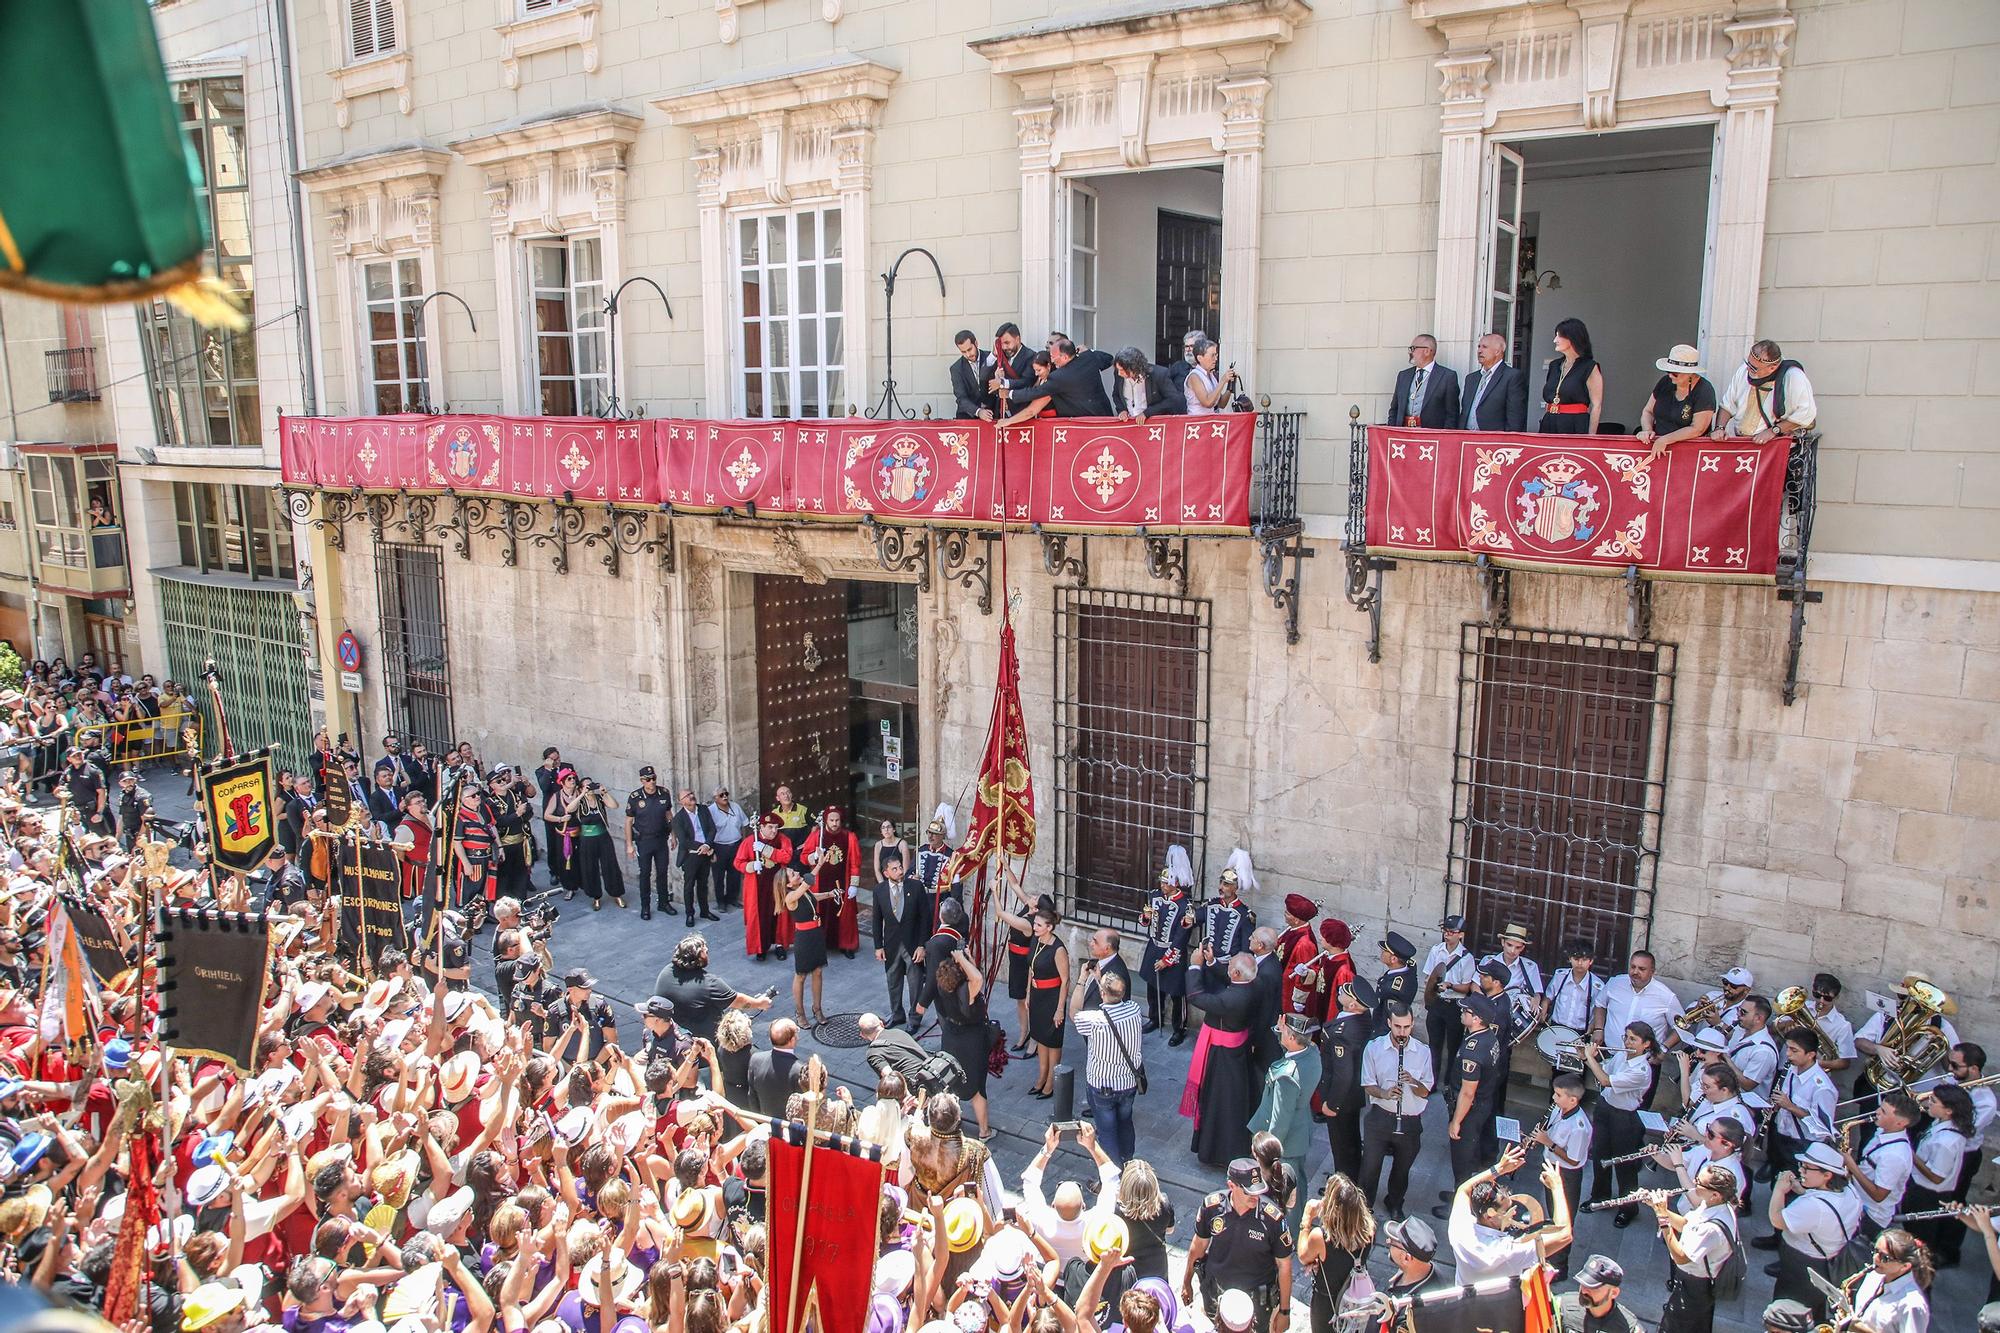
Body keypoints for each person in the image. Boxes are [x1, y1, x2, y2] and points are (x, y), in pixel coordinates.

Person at [1182, 1159, 1293, 1333]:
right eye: (1249, 1192)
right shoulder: (1212, 1207)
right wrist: (1186, 1280)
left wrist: (1285, 1311)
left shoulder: (1273, 1219)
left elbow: (1284, 1265)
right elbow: (1198, 1246)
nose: (1255, 1197)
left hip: (1256, 1302)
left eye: (1258, 1191)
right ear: (1231, 1186)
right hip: (1216, 1295)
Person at [1762, 1142, 1864, 1320]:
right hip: (1826, 1262)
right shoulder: (1850, 1192)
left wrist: (1779, 1190)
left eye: (1807, 1168)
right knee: (1812, 1311)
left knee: (1787, 1315)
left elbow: (1776, 1220)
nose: (1801, 1171)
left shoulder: (1813, 1206)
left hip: (1801, 1267)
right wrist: (1801, 1190)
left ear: (1827, 1175)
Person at [1445, 1145, 1573, 1282]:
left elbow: (1464, 1190)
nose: (1514, 1213)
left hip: (1463, 1301)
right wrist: (1557, 1187)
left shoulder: (1460, 1229)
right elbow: (1564, 1235)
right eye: (1507, 1211)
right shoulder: (1509, 1251)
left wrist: (1498, 1168)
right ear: (1489, 1216)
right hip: (1503, 1303)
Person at [1357, 1000, 1432, 1221]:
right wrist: (1385, 1093)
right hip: (1380, 1117)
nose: (1402, 1032)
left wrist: (1413, 1082)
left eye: (1407, 1027)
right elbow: (1368, 1084)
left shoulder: (1422, 1052)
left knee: (1402, 1168)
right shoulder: (1374, 1048)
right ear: (1389, 1023)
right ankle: (1364, 1205)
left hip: (1409, 1120)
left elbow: (1426, 1091)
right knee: (1370, 1166)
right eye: (1398, 1026)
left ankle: (1395, 1202)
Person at [1182, 952, 1259, 1167]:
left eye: (1230, 966)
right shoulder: (1251, 985)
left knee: (1219, 1102)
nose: (1228, 968)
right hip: (1237, 1048)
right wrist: (1212, 963)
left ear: (1235, 972)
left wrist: (1195, 967)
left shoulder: (1231, 998)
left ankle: (1217, 1151)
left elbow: (1196, 996)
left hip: (1223, 1055)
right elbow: (1232, 981)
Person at [1591, 949, 1684, 1106]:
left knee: (1638, 1110)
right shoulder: (1615, 983)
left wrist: (1664, 1049)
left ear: (1652, 971)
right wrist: (1598, 1029)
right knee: (1605, 1102)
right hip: (1613, 1055)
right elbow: (1600, 1004)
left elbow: (1682, 1027)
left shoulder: (1666, 996)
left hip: (1645, 1063)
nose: (1635, 972)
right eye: (1633, 967)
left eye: (1642, 969)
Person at [1072, 971, 1144, 1164]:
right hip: (1128, 1083)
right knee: (1125, 1124)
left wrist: (1081, 981)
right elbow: (1114, 995)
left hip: (1103, 1086)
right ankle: (1128, 1164)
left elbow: (1074, 1013)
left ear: (1102, 993)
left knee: (1107, 1133)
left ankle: (1113, 1176)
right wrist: (1101, 980)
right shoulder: (1134, 1010)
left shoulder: (1095, 1020)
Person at [654, 933, 773, 1046]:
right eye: (705, 952)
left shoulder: (666, 972)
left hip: (671, 1038)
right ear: (698, 957)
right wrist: (760, 1003)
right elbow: (739, 1001)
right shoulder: (708, 983)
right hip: (702, 1043)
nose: (708, 953)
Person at [1440, 993, 1506, 1197]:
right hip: (1483, 1104)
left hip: (1470, 1109)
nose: (1461, 1012)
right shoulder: (1487, 1036)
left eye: (1465, 1011)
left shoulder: (1473, 1051)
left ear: (1476, 1019)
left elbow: (1468, 1092)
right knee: (1470, 1153)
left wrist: (1456, 1121)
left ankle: (1460, 1201)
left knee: (1462, 1158)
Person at [1531, 1073, 1592, 1279]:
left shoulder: (1579, 1127)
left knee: (1563, 1216)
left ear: (1573, 1100)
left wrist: (1548, 1142)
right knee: (1552, 1209)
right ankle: (1550, 1254)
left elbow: (1574, 1160)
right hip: (1552, 1166)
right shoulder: (1559, 1109)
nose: (1554, 1099)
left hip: (1566, 1175)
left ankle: (1559, 1266)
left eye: (1558, 1095)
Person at [1903, 1083, 1974, 1257]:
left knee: (1920, 1242)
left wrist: (1910, 1154)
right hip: (1920, 1189)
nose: (1928, 1103)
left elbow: (1936, 1177)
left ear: (1949, 1111)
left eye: (1933, 1101)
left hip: (1927, 1195)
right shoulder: (1939, 1122)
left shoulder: (1946, 1142)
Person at [1295, 1173, 1371, 1333]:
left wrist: (1306, 1220)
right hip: (1355, 1299)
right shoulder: (1369, 1230)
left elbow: (1302, 1255)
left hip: (1328, 1303)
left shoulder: (1321, 1237)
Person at [1315, 977, 1373, 1185]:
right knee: (1351, 1141)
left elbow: (1343, 1073)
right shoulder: (1361, 1019)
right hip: (1353, 1095)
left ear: (1352, 1005)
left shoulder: (1343, 1032)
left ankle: (1344, 1185)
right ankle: (1349, 1178)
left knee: (1342, 1144)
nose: (1341, 989)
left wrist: (1332, 1104)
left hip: (1342, 1097)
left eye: (1346, 991)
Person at [931, 951, 994, 1137]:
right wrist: (961, 958)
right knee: (976, 1087)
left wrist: (966, 960)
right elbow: (977, 978)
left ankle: (951, 1121)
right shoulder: (966, 991)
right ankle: (984, 1130)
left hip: (951, 1036)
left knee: (951, 1080)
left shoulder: (943, 986)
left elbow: (972, 974)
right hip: (971, 1040)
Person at [1843, 1091, 1920, 1241]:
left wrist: (1852, 1166)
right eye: (1880, 1108)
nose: (1877, 1112)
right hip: (1858, 1201)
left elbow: (1879, 1195)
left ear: (1900, 1123)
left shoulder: (1895, 1155)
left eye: (1883, 1112)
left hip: (1869, 1216)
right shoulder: (1882, 1131)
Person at [1139, 850, 1196, 1041]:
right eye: (1162, 882)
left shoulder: (1185, 906)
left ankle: (1179, 1028)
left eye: (1167, 883)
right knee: (1152, 987)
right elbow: (1144, 920)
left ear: (1176, 883)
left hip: (1173, 952)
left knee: (1176, 993)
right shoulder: (1154, 896)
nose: (1163, 886)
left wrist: (1166, 960)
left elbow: (1181, 937)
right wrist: (1145, 917)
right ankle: (1155, 1017)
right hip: (1154, 946)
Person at [1714, 340, 1816, 442]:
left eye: (1754, 368)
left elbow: (1806, 413)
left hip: (1777, 443)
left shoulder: (1794, 376)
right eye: (1748, 363)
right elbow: (1728, 404)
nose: (1748, 369)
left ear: (1772, 368)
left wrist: (1773, 431)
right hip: (1746, 442)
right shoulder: (1744, 370)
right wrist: (1720, 428)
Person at [871, 847, 927, 1028]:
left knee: (915, 985)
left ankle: (914, 1019)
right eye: (894, 869)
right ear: (886, 873)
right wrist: (878, 946)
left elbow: (925, 918)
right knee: (893, 982)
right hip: (892, 945)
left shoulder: (916, 887)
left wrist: (922, 945)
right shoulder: (879, 891)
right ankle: (897, 1015)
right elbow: (876, 920)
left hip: (912, 946)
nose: (900, 871)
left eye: (900, 867)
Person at [999, 337, 1115, 422]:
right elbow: (1109, 359)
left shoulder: (1059, 377)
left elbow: (1035, 393)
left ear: (1065, 356)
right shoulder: (1089, 358)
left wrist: (1010, 394)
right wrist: (1088, 351)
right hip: (1106, 418)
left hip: (1084, 425)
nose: (1052, 361)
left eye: (1053, 357)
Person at [800, 805, 862, 958]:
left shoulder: (850, 837)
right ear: (826, 820)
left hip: (843, 882)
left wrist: (854, 884)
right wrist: (813, 857)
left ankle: (847, 945)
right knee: (820, 913)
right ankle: (821, 944)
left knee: (845, 915)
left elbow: (855, 863)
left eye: (837, 820)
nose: (835, 823)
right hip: (820, 883)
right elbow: (803, 857)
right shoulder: (817, 837)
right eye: (831, 820)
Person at [1637, 344, 1718, 462]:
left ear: (1690, 373)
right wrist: (1647, 430)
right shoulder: (1665, 382)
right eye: (1668, 371)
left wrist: (1665, 440)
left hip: (1688, 454)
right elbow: (1648, 411)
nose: (1670, 375)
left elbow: (1698, 428)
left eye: (1675, 373)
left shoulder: (1704, 390)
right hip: (1658, 450)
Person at [1021, 905, 1070, 1097]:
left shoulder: (1058, 949)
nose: (1035, 927)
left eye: (1039, 925)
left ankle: (1051, 1082)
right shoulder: (1036, 941)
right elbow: (1031, 968)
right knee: (1040, 1036)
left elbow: (1065, 980)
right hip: (1037, 995)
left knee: (1053, 1040)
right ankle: (1041, 1077)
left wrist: (1060, 1010)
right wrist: (1028, 993)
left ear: (1049, 927)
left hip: (1052, 997)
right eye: (1035, 923)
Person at [1421, 914, 1474, 1088]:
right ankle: (1432, 1082)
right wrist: (1431, 986)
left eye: (1452, 931)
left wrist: (1450, 985)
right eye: (1445, 931)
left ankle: (1449, 1083)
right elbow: (1429, 975)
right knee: (1434, 1045)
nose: (1447, 934)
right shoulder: (1436, 950)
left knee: (1453, 1047)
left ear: (1461, 935)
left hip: (1455, 1006)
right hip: (1437, 1003)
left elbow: (1466, 988)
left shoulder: (1467, 958)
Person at [734, 810, 795, 960]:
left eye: (776, 827)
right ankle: (761, 947)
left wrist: (765, 849)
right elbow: (738, 862)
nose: (774, 831)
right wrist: (751, 866)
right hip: (757, 886)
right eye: (770, 827)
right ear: (761, 827)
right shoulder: (749, 842)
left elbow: (786, 857)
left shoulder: (783, 840)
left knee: (780, 915)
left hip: (778, 884)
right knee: (760, 916)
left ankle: (780, 945)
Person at [1847, 1228, 1933, 1333]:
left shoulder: (1912, 1305)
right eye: (1875, 1250)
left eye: (1885, 1258)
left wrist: (1861, 1330)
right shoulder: (1875, 1274)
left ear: (1905, 1266)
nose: (1875, 1258)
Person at [780, 867, 831, 1026]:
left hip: (816, 933)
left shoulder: (803, 892)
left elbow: (813, 897)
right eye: (793, 874)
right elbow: (809, 882)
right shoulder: (790, 897)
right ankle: (800, 1012)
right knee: (801, 975)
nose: (798, 874)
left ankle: (817, 1009)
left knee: (818, 971)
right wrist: (820, 864)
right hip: (803, 937)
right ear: (788, 884)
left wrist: (830, 894)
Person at [624, 764, 674, 920]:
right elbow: (628, 822)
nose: (651, 782)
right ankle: (645, 906)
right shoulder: (635, 797)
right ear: (642, 781)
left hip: (661, 840)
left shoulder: (664, 793)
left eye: (653, 778)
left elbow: (668, 815)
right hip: (643, 841)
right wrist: (629, 845)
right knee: (645, 874)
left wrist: (674, 835)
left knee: (662, 872)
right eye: (648, 779)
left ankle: (663, 902)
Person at [1539, 318, 1604, 434]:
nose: (1555, 340)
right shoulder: (1554, 365)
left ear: (1572, 338)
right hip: (1550, 422)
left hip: (1574, 424)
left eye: (1559, 336)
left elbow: (1596, 405)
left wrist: (1591, 438)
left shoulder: (1589, 367)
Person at [1385, 334, 1460, 429]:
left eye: (1413, 348)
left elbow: (1452, 415)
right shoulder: (1403, 376)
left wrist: (1445, 438)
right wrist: (1391, 432)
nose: (1410, 352)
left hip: (1431, 437)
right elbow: (1394, 409)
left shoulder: (1447, 376)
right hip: (1403, 435)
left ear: (1427, 351)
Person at [1557, 1255, 1646, 1333]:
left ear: (1614, 1293)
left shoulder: (1630, 1329)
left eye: (1593, 1288)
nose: (1584, 1291)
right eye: (1583, 1284)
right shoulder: (1561, 1306)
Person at [669, 788, 719, 926]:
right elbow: (684, 841)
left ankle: (705, 911)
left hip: (706, 851)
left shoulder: (703, 809)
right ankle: (689, 914)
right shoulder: (678, 819)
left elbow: (712, 829)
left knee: (703, 883)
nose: (691, 796)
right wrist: (701, 847)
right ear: (681, 802)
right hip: (691, 855)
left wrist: (707, 845)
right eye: (687, 795)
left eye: (692, 793)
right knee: (689, 886)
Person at [1460, 331, 1528, 432]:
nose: (1479, 351)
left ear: (1497, 351)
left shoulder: (1512, 376)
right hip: (1467, 437)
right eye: (1479, 346)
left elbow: (1515, 416)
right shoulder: (1471, 378)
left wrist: (1508, 440)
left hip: (1494, 440)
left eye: (1484, 347)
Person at [1272, 896, 1321, 1017]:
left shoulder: (1305, 943)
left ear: (1296, 920)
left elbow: (1305, 975)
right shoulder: (1292, 930)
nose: (1284, 914)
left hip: (1289, 995)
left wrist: (1299, 1000)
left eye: (1287, 913)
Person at [1111, 347, 1187, 423]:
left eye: (1122, 370)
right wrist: (1121, 410)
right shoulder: (1119, 375)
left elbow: (1173, 399)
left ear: (1134, 367)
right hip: (1129, 422)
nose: (1119, 373)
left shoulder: (1159, 374)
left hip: (1153, 423)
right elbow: (1116, 395)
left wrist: (1147, 413)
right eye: (1118, 370)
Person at [747, 1017, 801, 1116]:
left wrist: (759, 1123)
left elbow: (752, 1096)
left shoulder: (756, 1060)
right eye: (797, 1033)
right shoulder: (798, 1071)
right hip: (789, 1127)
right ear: (792, 1040)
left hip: (764, 1123)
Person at [705, 787, 746, 910]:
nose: (725, 797)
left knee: (735, 874)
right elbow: (707, 832)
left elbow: (745, 824)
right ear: (715, 798)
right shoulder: (710, 811)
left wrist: (744, 844)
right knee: (718, 876)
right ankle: (721, 902)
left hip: (736, 845)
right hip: (719, 847)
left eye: (726, 794)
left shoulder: (735, 807)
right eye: (721, 795)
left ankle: (732, 899)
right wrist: (711, 851)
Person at [950, 330, 999, 420]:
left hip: (993, 413)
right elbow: (961, 398)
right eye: (963, 352)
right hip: (968, 416)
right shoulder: (956, 369)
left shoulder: (991, 358)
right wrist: (978, 411)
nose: (968, 354)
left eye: (969, 349)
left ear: (976, 343)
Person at [1183, 340, 1238, 416]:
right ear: (1200, 358)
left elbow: (1221, 404)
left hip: (1210, 421)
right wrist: (1222, 381)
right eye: (1212, 355)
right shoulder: (1194, 376)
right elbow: (1207, 403)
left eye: (1216, 355)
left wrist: (1230, 385)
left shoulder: (1211, 376)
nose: (1215, 359)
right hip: (1197, 422)